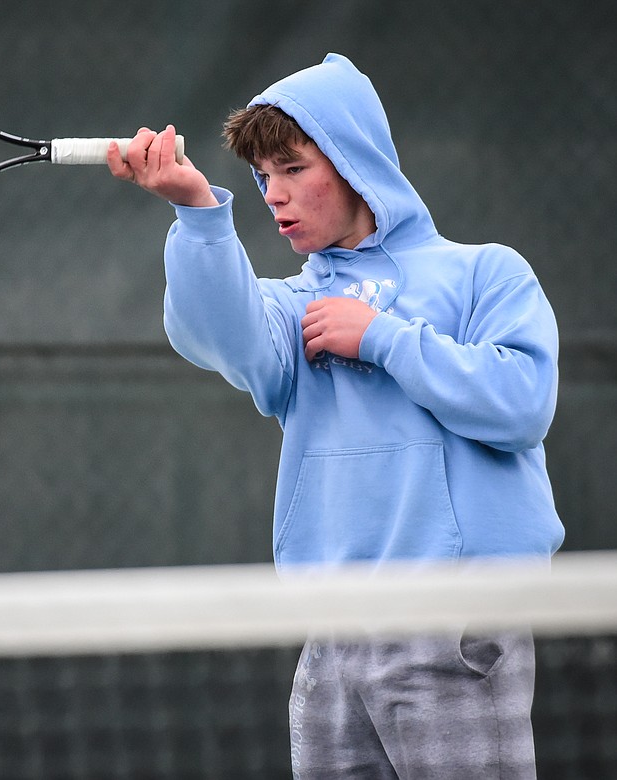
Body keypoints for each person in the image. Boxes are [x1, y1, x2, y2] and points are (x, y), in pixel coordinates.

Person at [107, 53, 564, 778]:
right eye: (262, 178)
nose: (274, 195)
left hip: (457, 622)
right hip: (330, 636)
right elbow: (215, 331)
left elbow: (522, 404)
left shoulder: (487, 273)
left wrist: (380, 338)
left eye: (293, 168)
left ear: (354, 163)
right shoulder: (292, 309)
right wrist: (195, 209)